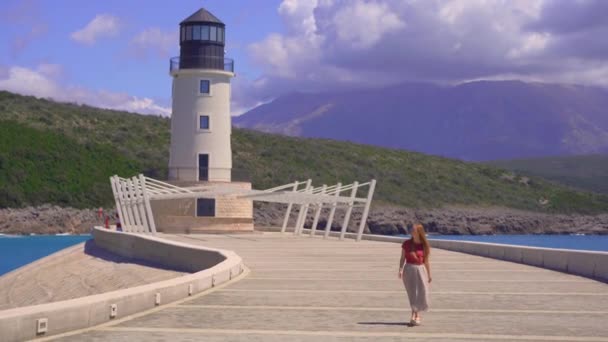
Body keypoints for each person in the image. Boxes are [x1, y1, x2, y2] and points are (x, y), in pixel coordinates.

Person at [398, 223, 432, 326]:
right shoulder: (406, 244)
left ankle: (415, 314)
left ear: (419, 232)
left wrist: (429, 275)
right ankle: (415, 315)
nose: (411, 231)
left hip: (420, 269)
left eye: (413, 230)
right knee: (412, 293)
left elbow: (426, 261)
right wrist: (400, 269)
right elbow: (402, 258)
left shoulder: (424, 245)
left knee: (421, 293)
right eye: (411, 230)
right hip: (409, 269)